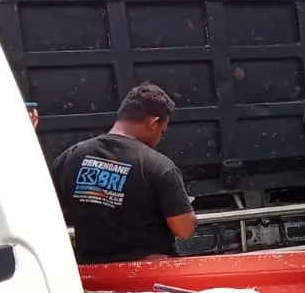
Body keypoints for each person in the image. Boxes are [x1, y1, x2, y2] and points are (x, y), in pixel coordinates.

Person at [51, 82, 197, 265]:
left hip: (92, 275)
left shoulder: (70, 157)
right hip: (148, 276)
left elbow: (54, 216)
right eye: (162, 131)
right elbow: (184, 229)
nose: (160, 138)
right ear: (152, 122)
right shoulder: (158, 165)